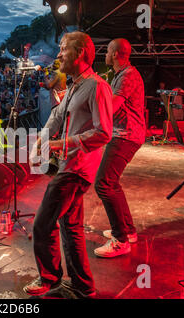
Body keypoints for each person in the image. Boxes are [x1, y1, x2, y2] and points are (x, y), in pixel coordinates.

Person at [24, 31, 113, 298]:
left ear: (81, 52)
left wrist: (58, 145)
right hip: (70, 165)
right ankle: (83, 286)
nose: (59, 54)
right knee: (70, 226)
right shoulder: (76, 85)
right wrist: (42, 139)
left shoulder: (97, 87)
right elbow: (56, 114)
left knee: (42, 224)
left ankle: (49, 279)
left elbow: (104, 132)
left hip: (78, 168)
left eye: (63, 49)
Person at [93, 38, 145, 258]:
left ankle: (120, 240)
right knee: (112, 183)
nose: (104, 55)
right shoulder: (121, 75)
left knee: (103, 184)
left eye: (107, 51)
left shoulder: (128, 75)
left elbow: (111, 107)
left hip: (127, 136)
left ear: (115, 54)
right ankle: (128, 231)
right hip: (124, 134)